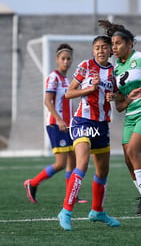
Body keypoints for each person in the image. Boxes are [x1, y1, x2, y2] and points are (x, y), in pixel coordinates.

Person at [98, 20, 141, 223]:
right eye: (113, 44)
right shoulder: (115, 70)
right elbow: (121, 107)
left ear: (130, 44)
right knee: (128, 159)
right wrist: (119, 98)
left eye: (119, 43)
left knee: (133, 151)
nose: (114, 48)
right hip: (131, 116)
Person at [57, 36, 120, 231]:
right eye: (97, 48)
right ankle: (66, 211)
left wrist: (115, 96)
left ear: (110, 50)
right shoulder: (86, 66)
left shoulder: (114, 71)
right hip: (82, 122)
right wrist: (88, 89)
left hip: (102, 125)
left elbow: (119, 100)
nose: (101, 50)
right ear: (93, 51)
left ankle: (97, 211)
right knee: (82, 164)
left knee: (102, 172)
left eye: (104, 47)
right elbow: (68, 93)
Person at [24, 44, 87, 204]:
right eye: (63, 58)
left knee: (73, 160)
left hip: (69, 125)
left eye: (68, 58)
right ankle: (33, 183)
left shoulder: (67, 80)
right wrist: (59, 119)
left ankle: (71, 195)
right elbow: (47, 101)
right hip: (56, 124)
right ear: (57, 60)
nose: (66, 61)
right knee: (61, 163)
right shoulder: (54, 77)